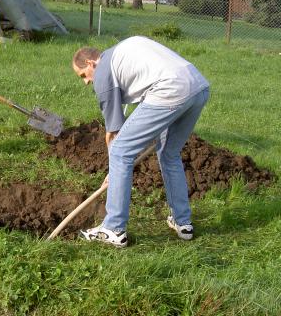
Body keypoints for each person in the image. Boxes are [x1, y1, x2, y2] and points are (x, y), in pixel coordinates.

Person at [72, 36, 210, 247]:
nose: (85, 81)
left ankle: (113, 229)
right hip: (198, 87)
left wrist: (114, 170)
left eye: (83, 75)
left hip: (170, 90)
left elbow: (114, 133)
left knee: (120, 153)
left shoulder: (103, 73)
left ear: (91, 63)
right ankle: (183, 223)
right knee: (169, 153)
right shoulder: (121, 54)